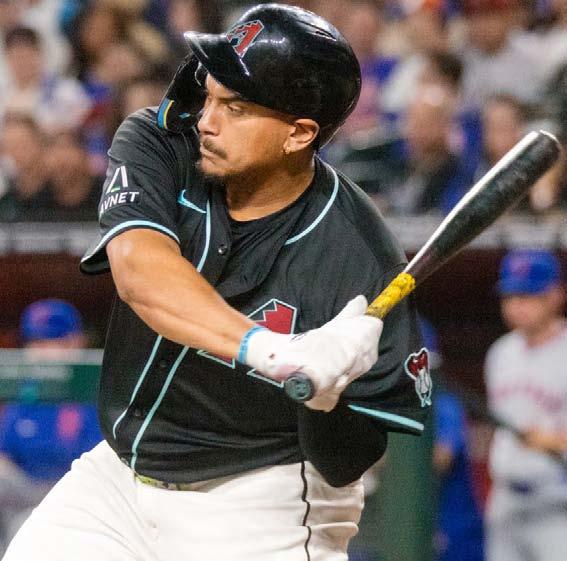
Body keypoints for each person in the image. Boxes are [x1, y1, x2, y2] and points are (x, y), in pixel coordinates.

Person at [3, 5, 431, 561]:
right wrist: (275, 351)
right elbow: (140, 272)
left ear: (299, 134)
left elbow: (349, 461)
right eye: (209, 96)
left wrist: (327, 397)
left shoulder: (358, 255)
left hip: (261, 500)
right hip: (118, 479)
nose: (207, 120)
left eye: (236, 108)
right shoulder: (160, 142)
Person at [484, 249, 567, 561]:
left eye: (527, 295)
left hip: (556, 502)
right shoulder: (500, 353)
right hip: (505, 499)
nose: (516, 306)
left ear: (555, 295)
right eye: (510, 296)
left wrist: (553, 441)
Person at [0, 299, 101, 554]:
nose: (45, 352)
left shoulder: (98, 388)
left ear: (77, 342)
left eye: (56, 342)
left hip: (82, 494)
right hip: (29, 490)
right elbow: (5, 455)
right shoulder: (25, 392)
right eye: (38, 343)